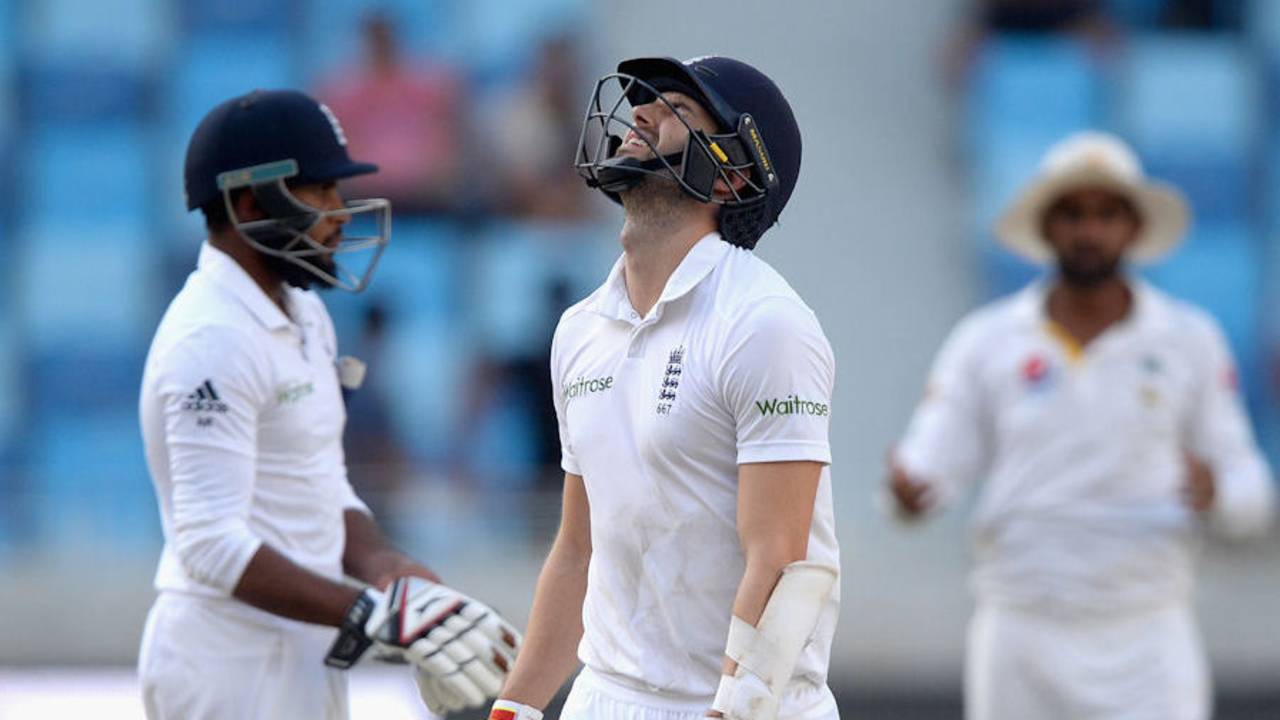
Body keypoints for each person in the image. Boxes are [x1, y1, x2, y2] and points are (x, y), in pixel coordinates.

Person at [138, 89, 519, 720]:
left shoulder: (305, 312)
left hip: (303, 653)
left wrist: (390, 571)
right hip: (223, 665)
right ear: (249, 201)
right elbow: (208, 544)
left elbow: (321, 487)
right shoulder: (211, 337)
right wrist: (372, 615)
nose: (340, 213)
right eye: (319, 191)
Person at [486, 56, 841, 720]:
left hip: (746, 705)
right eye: (645, 100)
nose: (640, 113)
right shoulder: (579, 330)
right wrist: (516, 710)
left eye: (676, 108)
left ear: (732, 174)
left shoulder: (765, 324)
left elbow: (781, 561)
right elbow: (577, 550)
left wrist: (732, 708)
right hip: (605, 697)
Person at [887, 131, 1276, 720]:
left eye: (1106, 214)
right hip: (1021, 628)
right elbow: (929, 469)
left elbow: (1251, 493)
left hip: (1146, 635)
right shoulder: (986, 341)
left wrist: (1217, 493)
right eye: (1071, 214)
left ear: (1135, 228)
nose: (1088, 231)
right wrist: (908, 496)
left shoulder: (1188, 341)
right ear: (1045, 228)